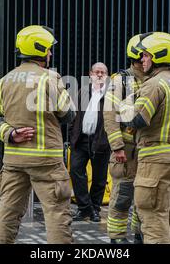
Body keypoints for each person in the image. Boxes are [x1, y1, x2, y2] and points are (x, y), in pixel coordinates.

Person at [0, 25, 76, 244]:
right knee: (56, 214)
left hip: (14, 160)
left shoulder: (4, 81)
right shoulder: (50, 78)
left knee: (7, 212)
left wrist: (11, 133)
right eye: (48, 49)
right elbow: (68, 114)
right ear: (40, 50)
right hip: (47, 162)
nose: (50, 53)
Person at [119, 32, 170, 244]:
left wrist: (124, 104)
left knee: (154, 217)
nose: (141, 60)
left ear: (157, 57)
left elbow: (137, 119)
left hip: (156, 160)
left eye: (145, 56)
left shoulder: (154, 84)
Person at [103, 34, 147, 243]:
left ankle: (139, 234)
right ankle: (117, 239)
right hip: (126, 152)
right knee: (122, 197)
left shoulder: (154, 79)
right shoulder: (121, 80)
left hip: (147, 151)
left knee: (144, 198)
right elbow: (109, 114)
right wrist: (117, 147)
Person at [69, 62, 110, 223]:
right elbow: (73, 115)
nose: (100, 75)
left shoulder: (111, 94)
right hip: (81, 139)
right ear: (90, 74)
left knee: (99, 178)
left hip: (101, 141)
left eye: (103, 72)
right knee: (76, 171)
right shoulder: (82, 91)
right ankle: (85, 208)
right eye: (97, 72)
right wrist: (73, 134)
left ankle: (95, 209)